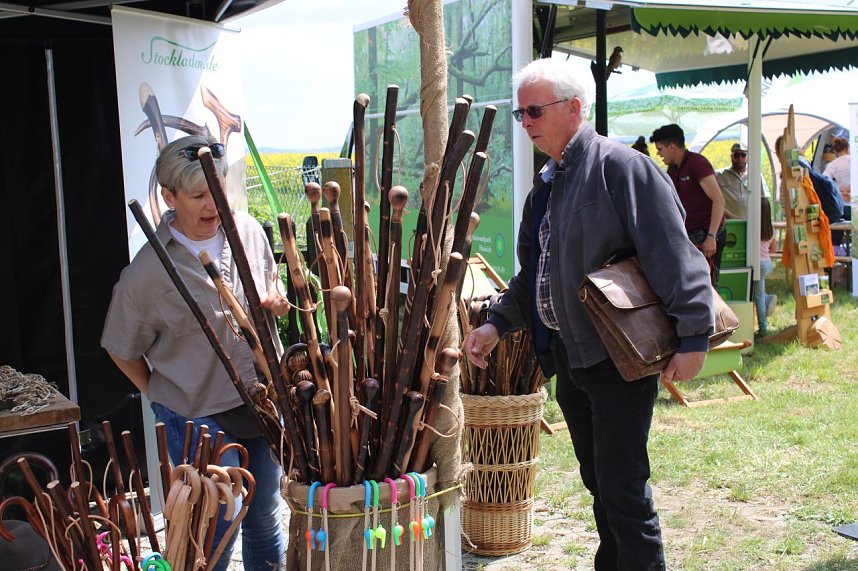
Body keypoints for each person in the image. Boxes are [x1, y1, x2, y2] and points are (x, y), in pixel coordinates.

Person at [464, 58, 714, 570]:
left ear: (574, 107)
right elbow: (534, 275)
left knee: (623, 489)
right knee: (600, 483)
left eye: (534, 111)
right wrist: (496, 324)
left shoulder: (622, 168)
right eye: (520, 114)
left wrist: (694, 337)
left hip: (619, 357)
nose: (526, 122)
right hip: (570, 357)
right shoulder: (545, 187)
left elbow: (672, 252)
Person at [101, 135, 288, 571]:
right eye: (199, 195)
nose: (212, 205)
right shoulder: (147, 271)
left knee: (264, 512)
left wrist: (277, 297)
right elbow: (119, 346)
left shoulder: (248, 232)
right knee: (217, 520)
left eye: (217, 190)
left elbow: (271, 283)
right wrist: (158, 394)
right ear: (170, 197)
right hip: (196, 411)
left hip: (261, 399)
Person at [651, 123, 727, 285]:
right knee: (688, 282)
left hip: (706, 234)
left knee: (707, 285)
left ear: (672, 147)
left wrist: (711, 236)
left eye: (660, 149)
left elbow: (719, 200)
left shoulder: (697, 163)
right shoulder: (673, 170)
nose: (658, 154)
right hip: (689, 234)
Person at [717, 142, 771, 220]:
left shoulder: (755, 175)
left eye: (743, 155)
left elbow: (764, 201)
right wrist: (730, 215)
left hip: (752, 223)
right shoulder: (721, 175)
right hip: (730, 222)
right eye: (736, 155)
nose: (740, 158)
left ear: (747, 157)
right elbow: (714, 200)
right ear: (731, 156)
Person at [754, 197, 777, 336]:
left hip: (757, 265)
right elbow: (773, 250)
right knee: (757, 293)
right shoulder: (772, 230)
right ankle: (767, 298)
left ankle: (763, 328)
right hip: (767, 263)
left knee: (758, 297)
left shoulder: (753, 228)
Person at [822, 136, 851, 206]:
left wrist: (838, 190)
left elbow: (824, 181)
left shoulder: (832, 165)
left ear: (835, 151)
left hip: (842, 201)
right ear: (847, 148)